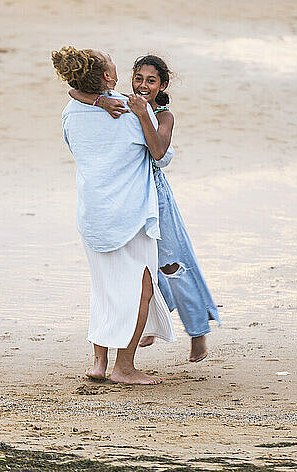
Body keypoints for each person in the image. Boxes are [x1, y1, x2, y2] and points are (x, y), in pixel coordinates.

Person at [69, 55, 220, 363]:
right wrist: (100, 102)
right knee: (142, 264)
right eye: (138, 78)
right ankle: (148, 325)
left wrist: (142, 116)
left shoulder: (163, 115)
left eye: (151, 80)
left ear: (161, 85)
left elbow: (159, 152)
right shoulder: (122, 103)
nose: (142, 85)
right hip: (133, 194)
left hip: (157, 194)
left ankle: (197, 330)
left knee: (173, 263)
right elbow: (73, 92)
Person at [52, 46, 175, 385]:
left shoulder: (71, 111)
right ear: (108, 76)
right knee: (141, 287)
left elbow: (75, 95)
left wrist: (97, 100)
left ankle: (99, 363)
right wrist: (144, 116)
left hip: (92, 213)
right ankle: (124, 367)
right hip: (127, 216)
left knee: (104, 288)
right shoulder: (130, 112)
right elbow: (162, 156)